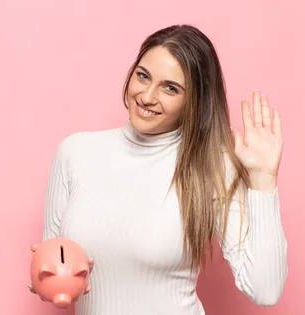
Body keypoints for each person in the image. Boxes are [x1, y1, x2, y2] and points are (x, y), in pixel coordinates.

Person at [28, 24, 288, 314]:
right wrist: (45, 280)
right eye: (143, 76)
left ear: (194, 101)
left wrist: (264, 180)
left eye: (170, 88)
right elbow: (53, 263)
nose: (147, 96)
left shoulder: (212, 167)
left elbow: (265, 289)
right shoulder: (75, 153)